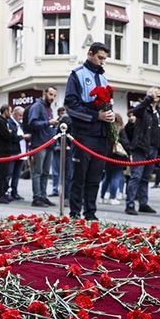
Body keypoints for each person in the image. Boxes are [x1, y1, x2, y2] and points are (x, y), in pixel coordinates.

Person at [65, 42, 114, 221]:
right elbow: (70, 105)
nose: (102, 62)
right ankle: (74, 213)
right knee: (79, 176)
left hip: (101, 136)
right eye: (100, 58)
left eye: (104, 59)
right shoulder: (77, 74)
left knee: (95, 177)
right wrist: (96, 116)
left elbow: (109, 104)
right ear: (90, 54)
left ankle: (91, 213)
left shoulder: (104, 79)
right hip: (83, 134)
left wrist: (110, 116)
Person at [124, 87, 160, 215]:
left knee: (146, 177)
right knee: (136, 176)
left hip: (153, 148)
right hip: (140, 148)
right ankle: (130, 204)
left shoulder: (157, 112)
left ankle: (143, 203)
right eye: (154, 93)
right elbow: (136, 111)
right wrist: (149, 98)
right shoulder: (143, 109)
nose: (157, 95)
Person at [28, 87, 59, 207]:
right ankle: (37, 197)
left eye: (54, 96)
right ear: (44, 93)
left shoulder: (48, 108)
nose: (52, 97)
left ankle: (43, 196)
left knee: (45, 172)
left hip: (48, 144)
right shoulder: (37, 106)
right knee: (38, 172)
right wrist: (49, 123)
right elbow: (32, 123)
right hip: (40, 144)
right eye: (51, 94)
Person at [0, 104, 22, 204]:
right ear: (5, 111)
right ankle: (0, 195)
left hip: (6, 150)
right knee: (2, 174)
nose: (10, 113)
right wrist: (11, 134)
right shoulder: (0, 122)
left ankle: (4, 193)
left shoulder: (4, 122)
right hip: (2, 150)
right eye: (9, 111)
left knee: (5, 173)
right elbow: (7, 136)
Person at [99, 112, 129, 206]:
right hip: (118, 157)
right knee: (116, 177)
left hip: (107, 156)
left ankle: (102, 197)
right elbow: (126, 143)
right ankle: (112, 197)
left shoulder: (107, 129)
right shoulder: (121, 130)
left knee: (107, 177)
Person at [9, 106, 29, 201]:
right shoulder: (10, 122)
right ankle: (6, 191)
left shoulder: (20, 124)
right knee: (9, 173)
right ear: (14, 113)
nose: (21, 117)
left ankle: (14, 191)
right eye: (20, 115)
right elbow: (12, 136)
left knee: (17, 174)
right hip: (13, 151)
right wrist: (23, 137)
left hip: (22, 152)